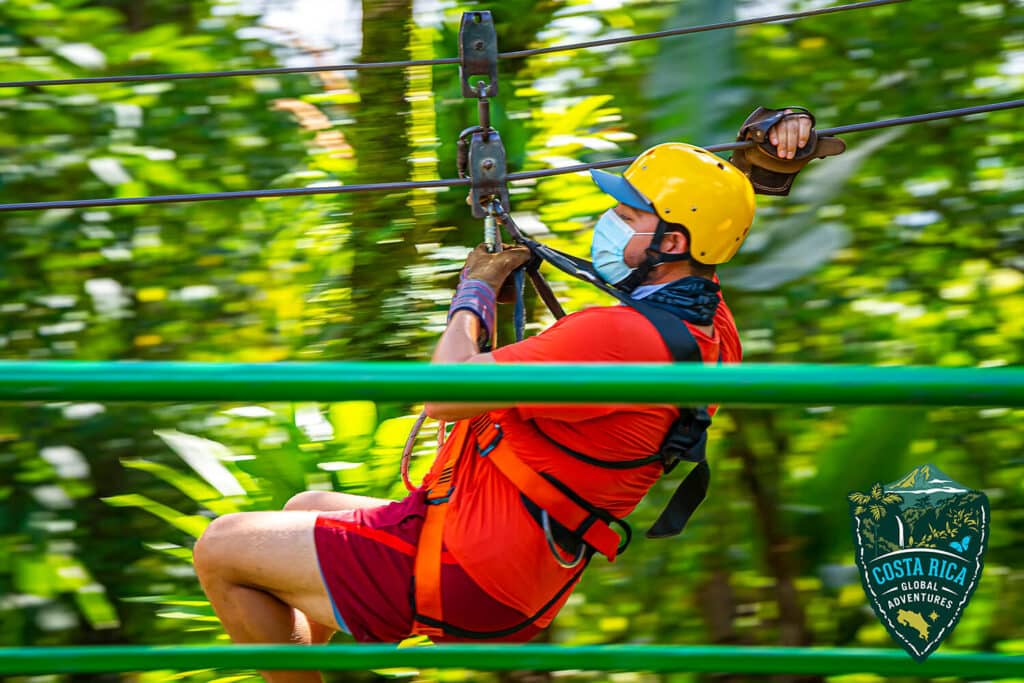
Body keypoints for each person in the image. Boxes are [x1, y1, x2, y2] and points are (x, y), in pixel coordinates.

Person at [192, 111, 816, 683]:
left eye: (628, 217)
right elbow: (712, 221)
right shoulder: (712, 331)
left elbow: (443, 396)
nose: (608, 223)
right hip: (517, 560)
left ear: (672, 244)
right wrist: (770, 151)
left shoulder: (616, 335)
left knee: (221, 547)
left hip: (469, 569)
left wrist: (474, 291)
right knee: (304, 507)